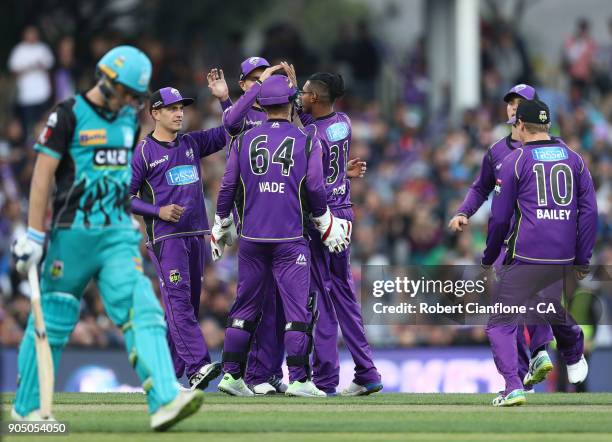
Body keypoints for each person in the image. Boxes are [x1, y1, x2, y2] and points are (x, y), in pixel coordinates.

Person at [11, 46, 203, 430]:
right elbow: (42, 176)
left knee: (144, 309)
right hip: (71, 235)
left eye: (136, 96)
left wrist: (125, 217)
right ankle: (28, 409)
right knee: (54, 318)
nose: (132, 102)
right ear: (107, 79)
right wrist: (33, 234)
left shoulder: (128, 121)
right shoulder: (67, 115)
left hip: (116, 235)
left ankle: (164, 398)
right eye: (128, 93)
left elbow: (119, 179)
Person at [212, 75, 351, 397]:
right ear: (290, 103)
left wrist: (221, 221)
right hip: (290, 239)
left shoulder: (242, 140)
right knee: (297, 311)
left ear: (261, 104)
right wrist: (324, 220)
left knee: (244, 308)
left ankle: (232, 374)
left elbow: (227, 186)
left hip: (252, 239)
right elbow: (315, 187)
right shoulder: (307, 139)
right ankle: (300, 379)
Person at [448, 84, 587, 390]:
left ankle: (538, 353)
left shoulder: (553, 151)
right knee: (514, 307)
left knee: (537, 303)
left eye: (519, 103)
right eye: (510, 102)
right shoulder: (496, 151)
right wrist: (463, 212)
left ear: (529, 113)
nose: (513, 107)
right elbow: (480, 188)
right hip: (507, 241)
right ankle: (526, 371)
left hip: (540, 240)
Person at [482, 99, 597, 406]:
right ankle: (573, 348)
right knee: (541, 306)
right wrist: (582, 257)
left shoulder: (515, 161)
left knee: (500, 324)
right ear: (547, 126)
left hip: (527, 252)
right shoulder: (574, 159)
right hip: (561, 255)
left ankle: (513, 386)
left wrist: (489, 254)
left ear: (521, 125)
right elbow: (589, 212)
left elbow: (500, 218)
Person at [130, 87, 227, 389]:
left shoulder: (192, 143)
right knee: (179, 304)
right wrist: (158, 210)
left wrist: (226, 98)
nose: (179, 113)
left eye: (181, 108)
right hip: (166, 238)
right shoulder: (144, 151)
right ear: (155, 113)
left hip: (196, 236)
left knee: (185, 307)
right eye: (172, 108)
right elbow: (126, 196)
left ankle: (167, 378)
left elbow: (232, 128)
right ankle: (198, 366)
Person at [207, 57, 289, 395]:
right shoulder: (242, 115)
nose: (263, 83)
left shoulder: (276, 112)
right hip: (252, 215)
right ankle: (247, 373)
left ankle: (265, 371)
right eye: (255, 79)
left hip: (281, 214)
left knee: (279, 301)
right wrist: (231, 97)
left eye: (266, 77)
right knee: (256, 299)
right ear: (245, 84)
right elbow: (231, 120)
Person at [297, 71, 382, 396]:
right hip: (344, 210)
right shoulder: (343, 121)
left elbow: (313, 181)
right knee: (342, 294)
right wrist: (342, 175)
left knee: (325, 297)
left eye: (304, 92)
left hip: (323, 218)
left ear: (315, 98)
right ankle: (365, 371)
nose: (299, 97)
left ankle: (327, 378)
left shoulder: (309, 133)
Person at [8, 25, 55, 135]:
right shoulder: (19, 50)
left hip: (42, 94)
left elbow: (50, 65)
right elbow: (13, 70)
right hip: (26, 96)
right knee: (28, 125)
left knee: (43, 123)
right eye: (29, 33)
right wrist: (27, 68)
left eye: (33, 33)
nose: (31, 36)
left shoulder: (43, 48)